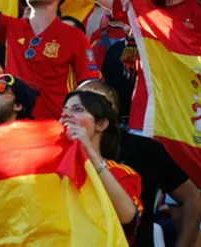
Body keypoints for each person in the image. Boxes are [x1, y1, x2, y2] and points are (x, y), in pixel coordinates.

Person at [72, 0, 201, 246]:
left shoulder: (200, 12)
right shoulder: (145, 7)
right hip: (148, 126)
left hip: (191, 125)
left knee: (188, 205)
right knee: (145, 209)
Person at [60, 90, 142, 242]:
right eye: (64, 110)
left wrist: (89, 151)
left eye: (78, 109)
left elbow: (127, 216)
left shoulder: (120, 173)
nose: (66, 115)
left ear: (101, 124)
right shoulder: (52, 170)